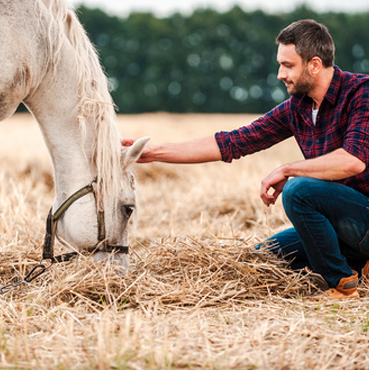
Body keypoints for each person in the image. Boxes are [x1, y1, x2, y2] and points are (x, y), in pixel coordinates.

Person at [122, 19, 369, 300]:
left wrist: (288, 169)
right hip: (342, 227)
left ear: (314, 65)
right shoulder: (297, 108)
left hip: (364, 218)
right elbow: (232, 142)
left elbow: (353, 160)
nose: (280, 74)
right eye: (280, 64)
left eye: (288, 65)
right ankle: (360, 263)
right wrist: (153, 153)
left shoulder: (362, 92)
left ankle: (341, 284)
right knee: (264, 257)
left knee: (299, 190)